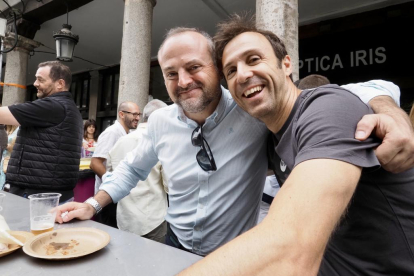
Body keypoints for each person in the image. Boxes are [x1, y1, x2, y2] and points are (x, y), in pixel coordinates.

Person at [55, 28, 412, 257]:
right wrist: (95, 203)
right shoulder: (161, 122)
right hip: (175, 244)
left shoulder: (254, 112)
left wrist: (389, 110)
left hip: (238, 251)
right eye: (170, 73)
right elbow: (132, 168)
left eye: (194, 67)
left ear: (215, 68)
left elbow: (338, 95)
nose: (183, 81)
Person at [178, 15, 414, 275]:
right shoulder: (271, 133)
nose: (243, 75)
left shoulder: (326, 108)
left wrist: (389, 108)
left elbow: (289, 250)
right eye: (231, 71)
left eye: (254, 59)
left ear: (287, 64)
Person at [0, 61, 83, 202]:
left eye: (40, 79)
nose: (35, 83)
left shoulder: (53, 106)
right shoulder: (69, 108)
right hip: (49, 194)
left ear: (60, 84)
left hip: (36, 196)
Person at [108, 99, 168, 243]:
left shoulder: (121, 141)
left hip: (125, 218)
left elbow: (110, 173)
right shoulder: (161, 143)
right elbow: (169, 185)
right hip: (153, 217)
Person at [90, 101, 140, 228]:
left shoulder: (127, 133)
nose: (138, 118)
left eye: (139, 114)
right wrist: (112, 182)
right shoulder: (112, 132)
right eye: (134, 114)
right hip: (107, 198)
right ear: (121, 114)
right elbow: (95, 163)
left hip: (118, 197)